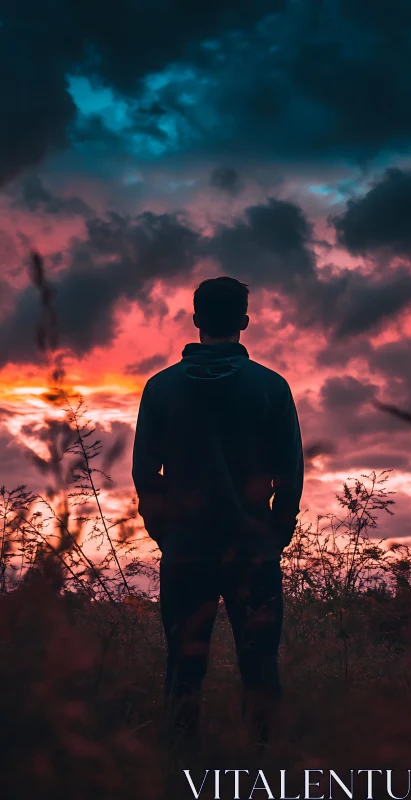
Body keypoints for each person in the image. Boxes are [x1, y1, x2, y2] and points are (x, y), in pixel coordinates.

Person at [132, 276, 303, 750]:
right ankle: (263, 769)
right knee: (260, 666)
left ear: (196, 320)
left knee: (184, 668)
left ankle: (179, 772)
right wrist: (277, 533)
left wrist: (168, 534)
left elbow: (145, 474)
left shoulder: (160, 388)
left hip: (186, 552)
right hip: (254, 552)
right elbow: (289, 471)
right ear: (244, 322)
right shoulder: (271, 387)